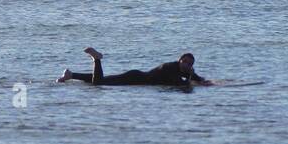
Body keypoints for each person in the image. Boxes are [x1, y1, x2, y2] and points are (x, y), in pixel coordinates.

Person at [59, 48, 207, 86]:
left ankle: (71, 75)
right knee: (99, 83)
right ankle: (97, 59)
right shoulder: (169, 68)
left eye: (190, 64)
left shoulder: (184, 71)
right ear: (179, 60)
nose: (187, 65)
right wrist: (190, 80)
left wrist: (204, 81)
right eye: (185, 61)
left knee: (102, 79)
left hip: (135, 78)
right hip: (134, 79)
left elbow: (198, 79)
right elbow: (179, 83)